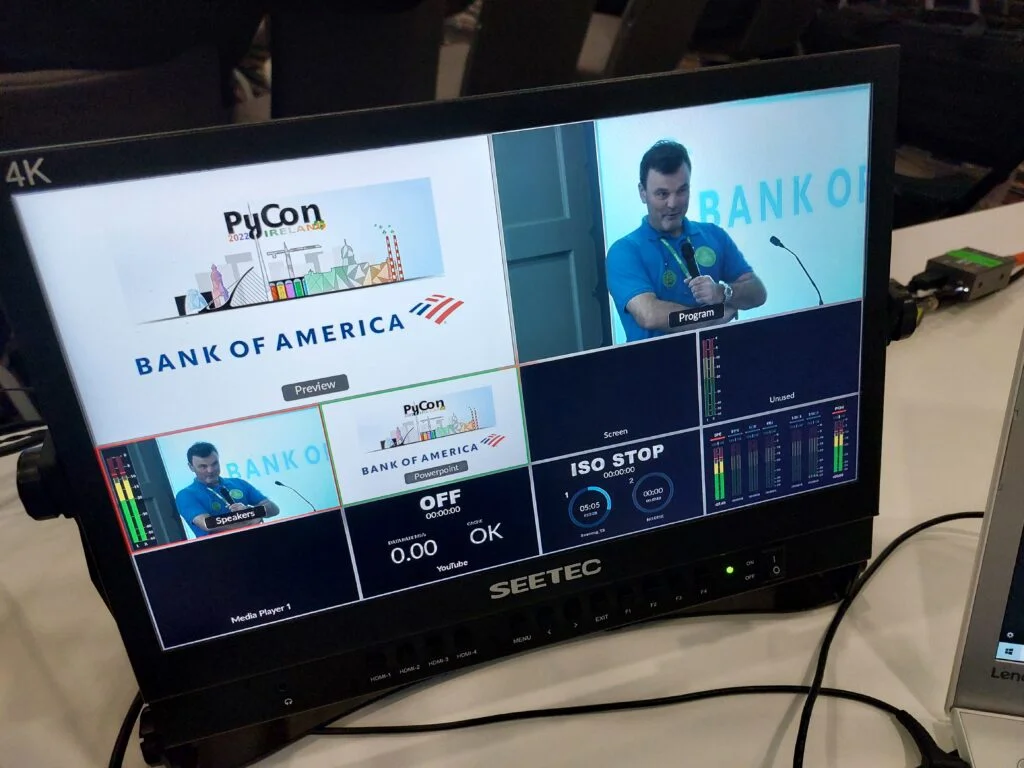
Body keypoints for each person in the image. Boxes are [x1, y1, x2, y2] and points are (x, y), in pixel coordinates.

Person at [606, 140, 767, 343]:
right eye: (662, 194)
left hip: (717, 355)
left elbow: (757, 292)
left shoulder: (713, 234)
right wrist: (715, 316)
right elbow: (649, 315)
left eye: (681, 191)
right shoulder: (624, 251)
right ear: (642, 192)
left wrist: (722, 292)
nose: (673, 203)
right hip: (656, 361)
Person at [174, 442, 280, 537]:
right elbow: (208, 524)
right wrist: (249, 520)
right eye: (203, 466)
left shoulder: (238, 483)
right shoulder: (186, 495)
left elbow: (274, 509)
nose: (210, 470)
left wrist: (250, 511)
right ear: (191, 467)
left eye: (214, 464)